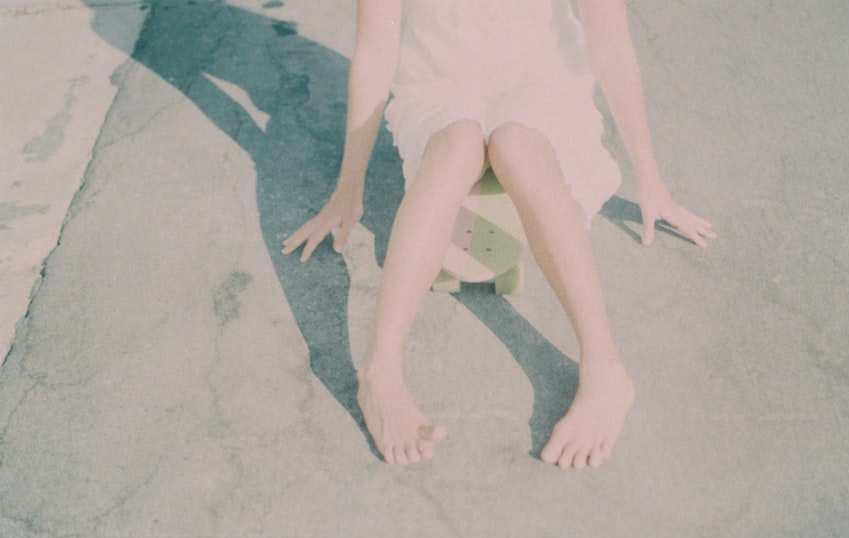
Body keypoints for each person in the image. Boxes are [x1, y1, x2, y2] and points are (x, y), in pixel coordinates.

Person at [282, 0, 716, 468]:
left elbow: (608, 37)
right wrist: (349, 188)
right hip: (440, 79)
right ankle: (379, 372)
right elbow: (376, 45)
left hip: (541, 76)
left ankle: (605, 368)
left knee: (518, 147)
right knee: (456, 149)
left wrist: (651, 178)